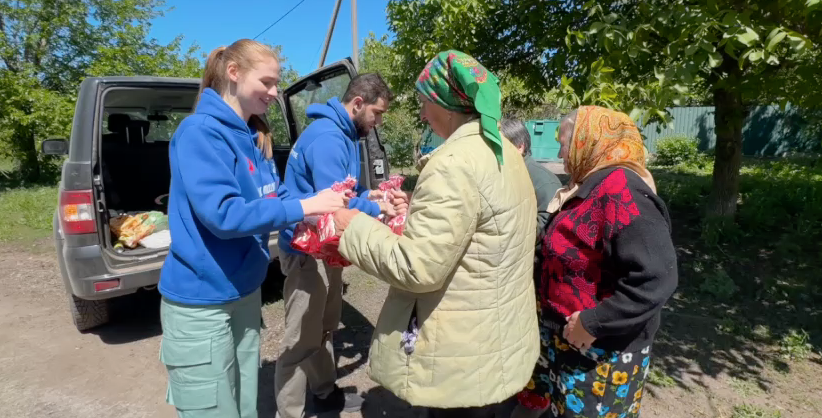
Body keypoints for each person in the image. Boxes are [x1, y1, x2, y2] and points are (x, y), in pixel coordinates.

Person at [332, 50, 539, 418]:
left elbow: (419, 267)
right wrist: (418, 206)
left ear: (446, 103)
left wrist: (353, 226)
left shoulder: (454, 163)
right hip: (496, 340)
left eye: (425, 102)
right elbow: (483, 227)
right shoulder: (503, 151)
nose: (423, 114)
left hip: (459, 355)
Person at [157, 39, 347, 418]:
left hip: (244, 293)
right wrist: (304, 206)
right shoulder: (200, 132)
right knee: (211, 409)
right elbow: (224, 215)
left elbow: (274, 197)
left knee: (243, 404)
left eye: (277, 84)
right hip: (203, 301)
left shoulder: (251, 136)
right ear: (233, 74)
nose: (275, 93)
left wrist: (325, 209)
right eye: (268, 82)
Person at [512, 106, 678, 418]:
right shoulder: (588, 186)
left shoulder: (621, 191)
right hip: (571, 342)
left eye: (565, 144)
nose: (561, 154)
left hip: (602, 351)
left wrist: (593, 322)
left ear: (590, 142)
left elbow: (656, 278)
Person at [274, 73, 406, 418]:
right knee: (301, 336)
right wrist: (378, 208)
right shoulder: (329, 138)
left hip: (324, 245)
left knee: (323, 325)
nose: (378, 122)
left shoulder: (344, 134)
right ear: (358, 103)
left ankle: (324, 393)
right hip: (306, 249)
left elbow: (345, 191)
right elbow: (336, 205)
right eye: (377, 113)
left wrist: (370, 195)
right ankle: (291, 411)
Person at [500, 118, 564, 234]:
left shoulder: (544, 181)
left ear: (520, 147)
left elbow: (545, 225)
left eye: (500, 146)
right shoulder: (506, 171)